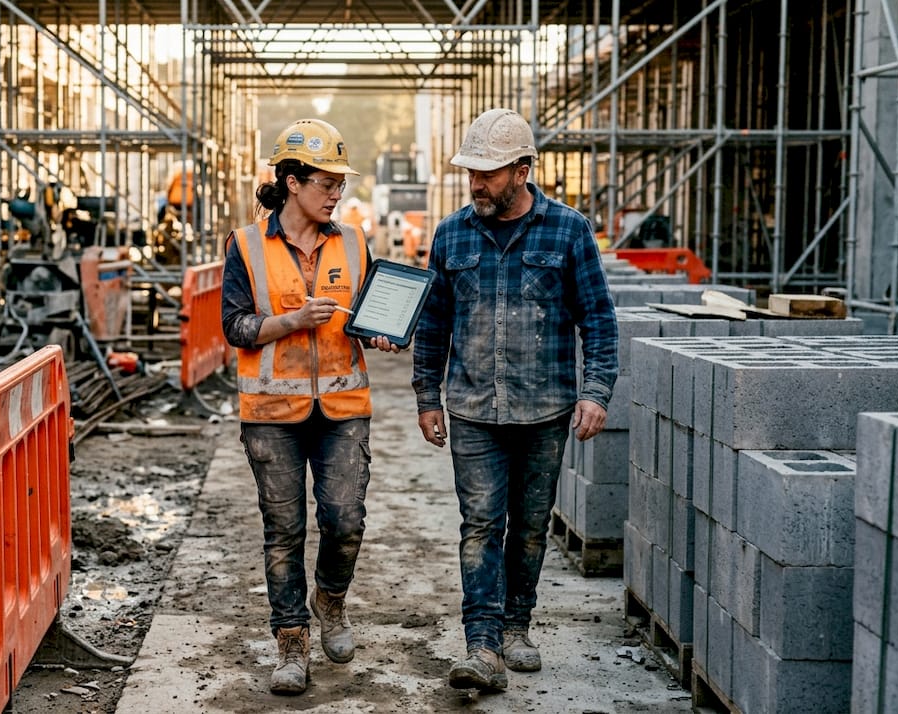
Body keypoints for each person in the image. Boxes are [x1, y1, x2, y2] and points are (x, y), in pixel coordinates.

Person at [411, 108, 619, 691]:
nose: (476, 184)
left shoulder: (569, 231)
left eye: (489, 173)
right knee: (480, 525)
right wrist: (427, 395)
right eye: (471, 173)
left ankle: (515, 626)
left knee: (529, 527)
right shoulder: (451, 234)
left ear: (522, 171)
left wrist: (596, 392)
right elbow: (433, 322)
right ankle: (481, 644)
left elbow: (598, 319)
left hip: (544, 410)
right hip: (473, 408)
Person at [221, 118, 399, 696]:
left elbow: (369, 312)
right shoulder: (247, 244)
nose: (335, 193)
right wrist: (291, 321)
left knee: (345, 520)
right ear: (292, 182)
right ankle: (291, 639)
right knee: (284, 531)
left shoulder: (353, 242)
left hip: (343, 408)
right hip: (271, 415)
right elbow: (234, 326)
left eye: (340, 184)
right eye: (326, 182)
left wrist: (381, 332)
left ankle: (331, 599)